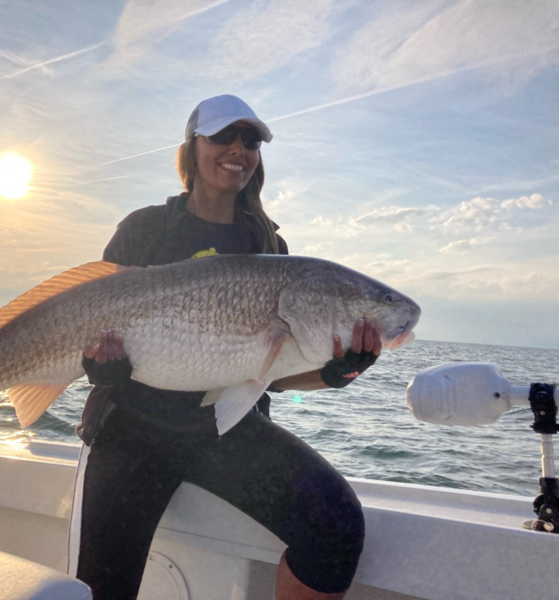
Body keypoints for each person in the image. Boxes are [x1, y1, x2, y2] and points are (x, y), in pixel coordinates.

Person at [67, 95, 381, 600]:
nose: (238, 148)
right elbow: (88, 326)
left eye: (250, 140)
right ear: (192, 147)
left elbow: (272, 375)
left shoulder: (271, 250)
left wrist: (338, 372)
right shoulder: (144, 230)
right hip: (133, 430)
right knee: (100, 592)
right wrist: (99, 366)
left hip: (228, 431)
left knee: (336, 524)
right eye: (222, 136)